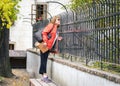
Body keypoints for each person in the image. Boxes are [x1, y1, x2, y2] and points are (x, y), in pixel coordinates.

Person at [39, 16, 62, 83]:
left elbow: (52, 36)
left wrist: (58, 38)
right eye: (58, 20)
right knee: (44, 61)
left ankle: (43, 76)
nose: (59, 21)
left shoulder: (55, 27)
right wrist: (45, 42)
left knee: (44, 60)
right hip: (45, 46)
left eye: (59, 20)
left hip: (48, 47)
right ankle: (44, 76)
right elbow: (44, 33)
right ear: (54, 20)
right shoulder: (51, 25)